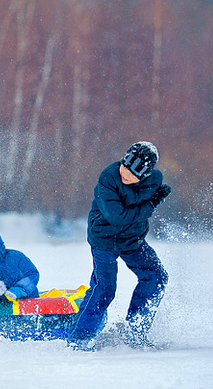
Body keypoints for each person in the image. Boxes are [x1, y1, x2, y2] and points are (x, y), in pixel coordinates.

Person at [67, 141, 171, 350]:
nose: (125, 173)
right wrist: (150, 206)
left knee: (156, 276)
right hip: (104, 239)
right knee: (104, 288)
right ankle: (79, 338)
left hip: (132, 239)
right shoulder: (108, 178)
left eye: (133, 173)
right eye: (125, 165)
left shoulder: (153, 181)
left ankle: (135, 331)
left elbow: (135, 209)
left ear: (144, 175)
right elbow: (118, 217)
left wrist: (147, 205)